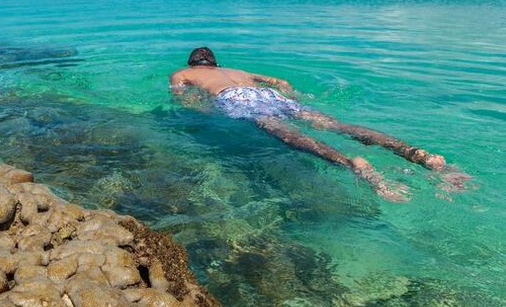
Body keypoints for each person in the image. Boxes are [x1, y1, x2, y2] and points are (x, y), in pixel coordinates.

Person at [169, 47, 451, 202]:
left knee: (284, 133)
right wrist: (294, 100)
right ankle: (416, 154)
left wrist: (205, 112)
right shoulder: (238, 70)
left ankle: (350, 164)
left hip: (236, 98)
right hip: (270, 95)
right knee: (338, 125)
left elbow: (183, 98)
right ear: (216, 64)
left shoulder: (182, 73)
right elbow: (281, 82)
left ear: (193, 64)